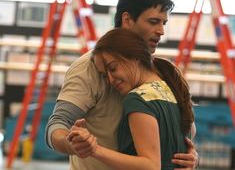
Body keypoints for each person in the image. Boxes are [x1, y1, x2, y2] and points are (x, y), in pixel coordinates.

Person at [45, 0, 199, 169]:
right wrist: (72, 144)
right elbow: (59, 123)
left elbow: (187, 130)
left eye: (164, 23)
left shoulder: (162, 72)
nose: (161, 31)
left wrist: (190, 155)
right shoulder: (87, 68)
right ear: (127, 20)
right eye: (153, 21)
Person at [67, 27, 195, 170]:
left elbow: (151, 165)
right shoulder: (171, 90)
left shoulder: (137, 99)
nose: (110, 79)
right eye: (104, 75)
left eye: (113, 68)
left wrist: (94, 150)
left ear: (135, 57)